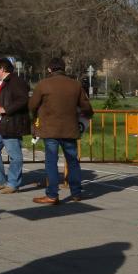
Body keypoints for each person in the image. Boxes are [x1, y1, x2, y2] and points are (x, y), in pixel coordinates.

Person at [29, 58, 93, 205]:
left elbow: (32, 105)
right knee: (73, 161)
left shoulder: (43, 84)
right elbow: (86, 107)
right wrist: (86, 116)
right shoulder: (75, 85)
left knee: (51, 162)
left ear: (50, 69)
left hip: (50, 130)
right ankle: (76, 193)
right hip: (70, 129)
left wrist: (36, 116)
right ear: (64, 69)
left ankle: (52, 195)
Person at [0, 58, 29, 194]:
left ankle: (13, 183)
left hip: (10, 124)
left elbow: (23, 99)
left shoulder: (16, 82)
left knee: (15, 156)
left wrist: (6, 109)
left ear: (2, 69)